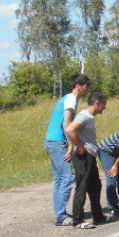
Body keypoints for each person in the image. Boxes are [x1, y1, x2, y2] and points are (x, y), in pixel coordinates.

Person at [44, 74, 92, 226]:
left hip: (50, 141)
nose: (88, 89)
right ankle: (61, 216)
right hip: (58, 142)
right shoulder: (71, 99)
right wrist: (72, 146)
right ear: (79, 85)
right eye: (87, 86)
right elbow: (67, 124)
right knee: (66, 178)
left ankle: (60, 213)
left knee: (59, 179)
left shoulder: (68, 98)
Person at [66, 92, 109, 228]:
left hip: (90, 156)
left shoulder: (89, 117)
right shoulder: (84, 115)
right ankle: (78, 221)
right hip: (84, 157)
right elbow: (70, 129)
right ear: (97, 104)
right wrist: (79, 146)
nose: (104, 108)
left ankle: (98, 216)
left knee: (95, 186)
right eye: (103, 105)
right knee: (82, 187)